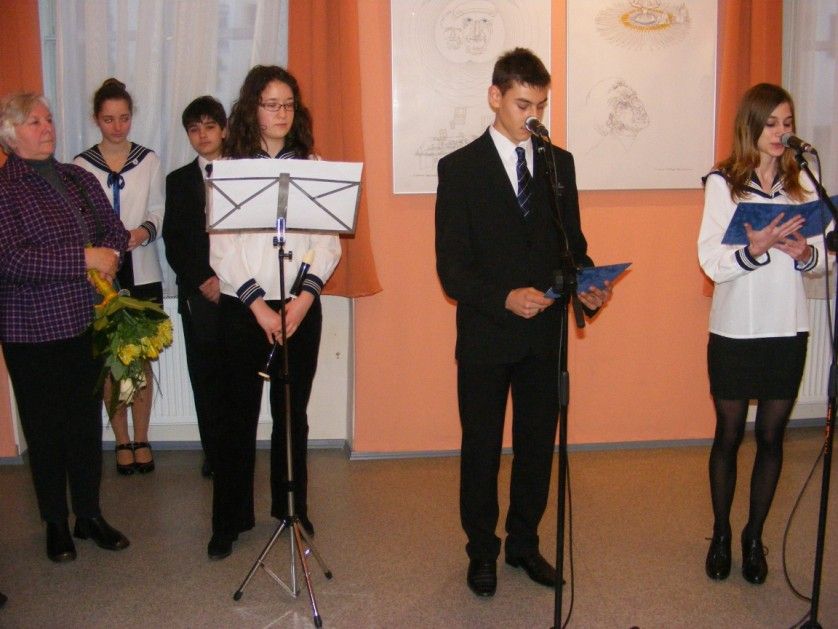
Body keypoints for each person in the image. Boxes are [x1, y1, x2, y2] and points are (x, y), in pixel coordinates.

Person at [435, 48, 611, 597]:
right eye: (522, 105)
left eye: (540, 106)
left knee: (537, 445)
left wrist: (588, 286)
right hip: (487, 334)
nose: (533, 116)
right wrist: (505, 298)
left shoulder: (560, 164)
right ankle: (481, 550)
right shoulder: (459, 169)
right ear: (495, 97)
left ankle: (524, 543)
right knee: (482, 448)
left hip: (544, 336)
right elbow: (452, 269)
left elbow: (573, 246)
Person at [207, 65, 341, 559]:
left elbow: (327, 244)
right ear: (252, 109)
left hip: (299, 308)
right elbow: (221, 248)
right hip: (245, 308)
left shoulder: (313, 166)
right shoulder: (228, 168)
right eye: (271, 104)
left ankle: (291, 507)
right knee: (237, 416)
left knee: (291, 414)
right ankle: (230, 519)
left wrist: (303, 301)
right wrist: (259, 307)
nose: (281, 113)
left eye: (288, 104)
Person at [698, 83, 827, 585]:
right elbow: (710, 262)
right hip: (735, 328)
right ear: (750, 125)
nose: (780, 132)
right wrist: (753, 250)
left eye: (787, 123)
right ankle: (722, 534)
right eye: (771, 123)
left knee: (772, 436)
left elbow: (824, 260)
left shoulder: (804, 184)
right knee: (729, 434)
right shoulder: (723, 183)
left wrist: (805, 254)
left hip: (786, 328)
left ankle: (754, 538)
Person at [0, 92, 130, 561]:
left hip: (83, 321)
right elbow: (12, 260)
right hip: (30, 331)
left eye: (49, 119)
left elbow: (114, 230)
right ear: (11, 135)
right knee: (45, 430)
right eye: (34, 121)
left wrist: (109, 257)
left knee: (83, 425)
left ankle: (89, 515)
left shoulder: (77, 177)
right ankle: (55, 522)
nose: (47, 127)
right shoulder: (5, 189)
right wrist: (84, 259)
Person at [74, 78, 165, 475]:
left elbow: (159, 209)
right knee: (111, 360)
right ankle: (121, 440)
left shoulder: (149, 160)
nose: (117, 126)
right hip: (100, 275)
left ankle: (142, 437)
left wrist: (141, 233)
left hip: (141, 266)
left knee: (141, 359)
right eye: (109, 119)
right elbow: (76, 221)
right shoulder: (80, 166)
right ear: (96, 119)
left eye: (124, 118)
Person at [162, 96, 227, 478]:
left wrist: (227, 279)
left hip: (241, 290)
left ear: (224, 129)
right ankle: (213, 452)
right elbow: (173, 241)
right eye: (194, 129)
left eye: (210, 127)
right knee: (204, 375)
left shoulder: (246, 172)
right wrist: (203, 280)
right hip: (197, 291)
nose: (202, 135)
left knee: (237, 375)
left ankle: (237, 450)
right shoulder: (178, 180)